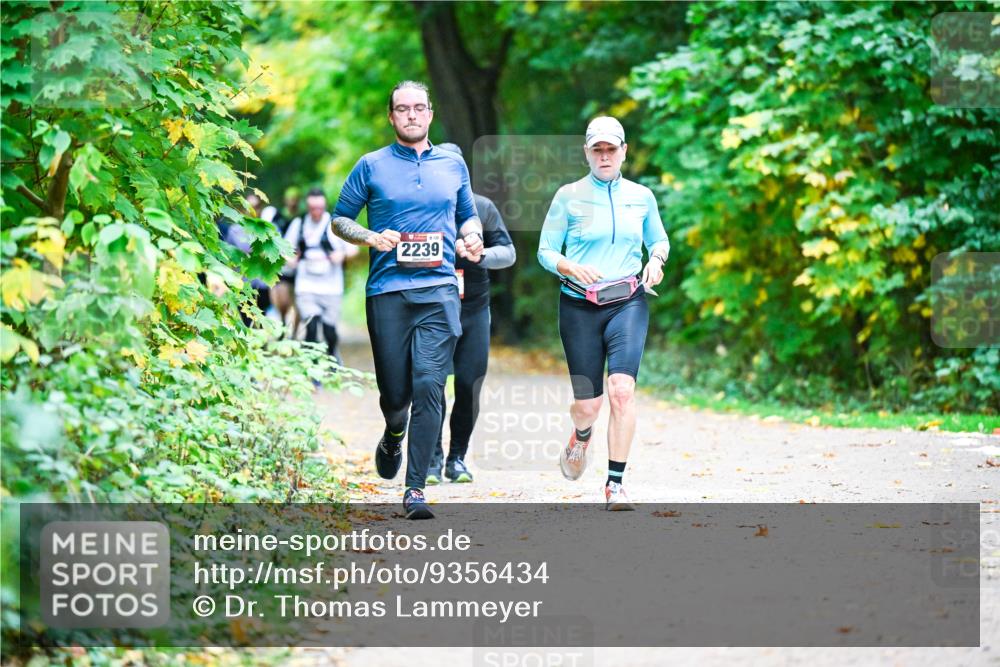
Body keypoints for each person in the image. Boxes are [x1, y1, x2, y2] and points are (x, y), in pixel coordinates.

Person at [331, 81, 484, 520]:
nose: (412, 115)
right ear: (391, 116)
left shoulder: (453, 164)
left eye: (419, 108)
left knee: (430, 385)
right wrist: (370, 237)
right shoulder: (371, 165)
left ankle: (415, 487)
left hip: (438, 290)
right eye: (403, 109)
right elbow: (341, 219)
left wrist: (470, 236)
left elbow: (467, 214)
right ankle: (393, 430)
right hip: (388, 291)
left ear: (430, 113)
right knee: (396, 393)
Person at [536, 116, 669, 511]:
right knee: (589, 405)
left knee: (622, 391)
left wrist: (657, 259)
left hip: (627, 301)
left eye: (612, 148)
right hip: (578, 305)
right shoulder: (568, 196)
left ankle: (615, 484)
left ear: (624, 151)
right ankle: (580, 434)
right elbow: (545, 251)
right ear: (587, 153)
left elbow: (658, 239)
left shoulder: (642, 196)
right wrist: (569, 267)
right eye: (598, 149)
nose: (605, 155)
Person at [425, 142, 516, 485]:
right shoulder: (420, 209)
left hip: (474, 309)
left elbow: (508, 253)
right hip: (431, 309)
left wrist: (481, 256)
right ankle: (431, 458)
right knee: (430, 384)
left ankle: (457, 459)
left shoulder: (482, 208)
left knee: (469, 384)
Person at [284, 188, 358, 362]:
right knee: (311, 325)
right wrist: (291, 260)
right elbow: (285, 248)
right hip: (306, 285)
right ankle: (313, 365)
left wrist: (342, 255)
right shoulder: (299, 223)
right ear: (308, 207)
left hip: (331, 286)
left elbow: (353, 249)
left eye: (319, 208)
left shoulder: (337, 224)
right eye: (312, 208)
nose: (316, 212)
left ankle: (332, 356)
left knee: (329, 329)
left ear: (324, 206)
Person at [270, 187, 302, 335]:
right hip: (282, 266)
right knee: (283, 303)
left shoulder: (302, 219)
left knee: (299, 304)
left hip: (300, 267)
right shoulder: (277, 217)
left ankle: (294, 333)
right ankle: (283, 326)